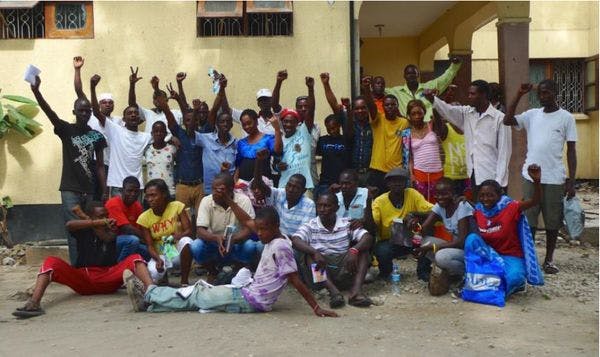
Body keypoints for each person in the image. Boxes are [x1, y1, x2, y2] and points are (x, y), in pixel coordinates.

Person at [123, 207, 338, 317]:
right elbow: (247, 221)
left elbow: (296, 280)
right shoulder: (273, 237)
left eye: (264, 229)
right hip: (248, 292)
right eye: (259, 229)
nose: (260, 233)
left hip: (250, 299)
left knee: (198, 295)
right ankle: (151, 304)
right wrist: (230, 200)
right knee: (199, 299)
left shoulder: (282, 247)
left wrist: (316, 307)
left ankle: (150, 292)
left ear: (276, 226)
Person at [12, 201, 149, 319]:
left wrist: (100, 222)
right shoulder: (83, 229)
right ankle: (34, 303)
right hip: (84, 280)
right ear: (91, 219)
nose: (106, 219)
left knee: (136, 258)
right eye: (101, 216)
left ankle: (153, 294)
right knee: (50, 261)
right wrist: (95, 222)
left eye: (107, 216)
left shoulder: (110, 230)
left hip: (108, 278)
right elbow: (69, 225)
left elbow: (106, 238)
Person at [30, 75, 107, 265]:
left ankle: (90, 266)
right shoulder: (66, 130)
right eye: (81, 110)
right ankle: (77, 269)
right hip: (70, 189)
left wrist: (104, 190)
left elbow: (99, 165)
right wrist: (36, 91)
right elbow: (51, 113)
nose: (85, 113)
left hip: (89, 190)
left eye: (88, 111)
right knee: (73, 231)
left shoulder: (96, 135)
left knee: (91, 229)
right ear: (74, 111)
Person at [503, 81, 578, 274]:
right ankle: (529, 258)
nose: (542, 96)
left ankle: (549, 260)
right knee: (529, 221)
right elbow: (508, 120)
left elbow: (571, 150)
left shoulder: (566, 118)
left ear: (555, 93)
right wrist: (519, 94)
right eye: (540, 94)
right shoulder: (532, 115)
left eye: (546, 93)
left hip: (554, 177)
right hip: (530, 176)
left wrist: (571, 180)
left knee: (553, 222)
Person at [463, 165, 544, 306]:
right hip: (490, 256)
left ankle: (487, 283)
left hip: (510, 256)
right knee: (471, 239)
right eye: (482, 195)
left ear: (499, 195)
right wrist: (461, 200)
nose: (485, 199)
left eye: (490, 195)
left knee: (514, 277)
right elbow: (469, 206)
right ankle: (484, 281)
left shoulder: (511, 207)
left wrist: (537, 182)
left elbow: (535, 202)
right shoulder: (478, 210)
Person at [425, 80, 511, 196]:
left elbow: (504, 153)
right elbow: (447, 110)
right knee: (478, 212)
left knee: (495, 213)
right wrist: (432, 99)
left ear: (484, 95)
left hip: (493, 177)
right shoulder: (467, 113)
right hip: (474, 175)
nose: (469, 97)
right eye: (469, 93)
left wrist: (499, 183)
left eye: (472, 94)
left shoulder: (499, 119)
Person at [291, 193, 374, 308]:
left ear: (336, 208)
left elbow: (367, 238)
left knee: (363, 251)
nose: (322, 209)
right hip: (320, 277)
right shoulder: (310, 225)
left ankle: (355, 293)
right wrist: (314, 252)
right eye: (319, 206)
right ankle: (334, 293)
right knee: (309, 255)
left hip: (343, 272)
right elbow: (295, 240)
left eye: (326, 206)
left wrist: (354, 250)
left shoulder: (346, 224)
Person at [90, 73, 152, 198]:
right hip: (117, 186)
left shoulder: (146, 137)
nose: (133, 115)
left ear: (140, 118)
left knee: (136, 218)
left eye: (136, 113)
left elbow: (160, 139)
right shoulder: (116, 130)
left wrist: (172, 138)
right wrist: (92, 87)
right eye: (130, 113)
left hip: (137, 187)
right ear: (124, 118)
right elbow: (97, 112)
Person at [192, 173, 260, 280]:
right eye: (213, 189)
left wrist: (233, 239)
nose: (215, 192)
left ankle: (237, 272)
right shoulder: (206, 201)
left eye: (220, 189)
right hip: (214, 244)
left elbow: (249, 228)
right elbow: (200, 231)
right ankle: (212, 271)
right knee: (196, 246)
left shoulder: (243, 200)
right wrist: (216, 238)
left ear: (231, 189)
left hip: (236, 244)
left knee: (250, 246)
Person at [72, 56, 122, 199]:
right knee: (88, 198)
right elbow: (79, 92)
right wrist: (77, 70)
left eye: (110, 102)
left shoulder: (118, 121)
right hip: (89, 162)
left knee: (104, 199)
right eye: (104, 102)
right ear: (98, 105)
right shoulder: (91, 115)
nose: (107, 104)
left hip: (108, 165)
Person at [371, 168, 433, 279]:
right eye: (393, 181)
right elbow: (373, 222)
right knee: (382, 249)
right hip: (390, 242)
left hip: (413, 239)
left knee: (428, 237)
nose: (397, 183)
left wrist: (415, 215)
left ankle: (423, 272)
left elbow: (433, 212)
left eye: (401, 180)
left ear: (406, 183)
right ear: (387, 184)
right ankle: (386, 272)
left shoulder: (412, 194)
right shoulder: (379, 201)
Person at [410, 178, 474, 283]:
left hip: (469, 250)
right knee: (422, 241)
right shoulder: (440, 206)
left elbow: (461, 241)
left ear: (453, 194)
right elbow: (423, 229)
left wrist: (433, 247)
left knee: (441, 257)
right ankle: (449, 272)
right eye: (437, 194)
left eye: (444, 194)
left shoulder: (462, 206)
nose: (440, 198)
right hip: (455, 248)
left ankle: (465, 274)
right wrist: (415, 223)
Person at [136, 179, 195, 286]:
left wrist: (177, 236)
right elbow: (149, 245)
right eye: (147, 196)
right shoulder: (143, 218)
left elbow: (189, 231)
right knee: (152, 275)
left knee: (187, 241)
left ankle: (184, 282)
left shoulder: (177, 206)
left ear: (163, 194)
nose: (150, 199)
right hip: (160, 255)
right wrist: (158, 259)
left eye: (154, 195)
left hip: (176, 252)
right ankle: (162, 279)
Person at [272, 70, 322, 187]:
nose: (304, 109)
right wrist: (279, 82)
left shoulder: (306, 129)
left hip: (307, 181)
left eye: (306, 106)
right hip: (286, 183)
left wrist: (310, 88)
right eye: (300, 107)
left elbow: (311, 111)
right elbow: (274, 106)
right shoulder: (286, 129)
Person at [322, 72, 372, 186]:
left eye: (363, 108)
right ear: (353, 110)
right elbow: (334, 104)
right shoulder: (348, 120)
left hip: (369, 173)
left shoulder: (373, 124)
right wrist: (326, 84)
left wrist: (367, 88)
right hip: (351, 173)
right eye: (357, 108)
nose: (360, 111)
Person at [250, 149, 315, 237]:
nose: (290, 189)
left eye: (296, 187)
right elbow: (259, 184)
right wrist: (259, 161)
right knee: (250, 246)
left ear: (303, 191)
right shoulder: (280, 194)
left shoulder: (309, 205)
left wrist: (284, 241)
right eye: (289, 185)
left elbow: (304, 234)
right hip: (276, 240)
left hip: (295, 245)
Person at [362, 77, 410, 194]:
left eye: (393, 104)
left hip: (396, 171)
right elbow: (370, 105)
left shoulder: (404, 123)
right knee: (377, 203)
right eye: (387, 105)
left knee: (395, 202)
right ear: (382, 107)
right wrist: (367, 88)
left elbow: (407, 146)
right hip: (377, 170)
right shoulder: (378, 119)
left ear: (397, 106)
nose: (390, 107)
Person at [193, 76, 238, 194]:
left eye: (228, 121)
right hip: (210, 191)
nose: (225, 124)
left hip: (229, 190)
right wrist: (194, 111)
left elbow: (238, 166)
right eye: (222, 121)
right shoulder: (206, 139)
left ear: (232, 125)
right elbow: (189, 133)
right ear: (216, 124)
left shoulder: (236, 143)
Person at [385, 58, 461, 121]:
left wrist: (454, 66)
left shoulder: (428, 88)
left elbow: (444, 79)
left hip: (428, 128)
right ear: (404, 76)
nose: (411, 76)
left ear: (418, 75)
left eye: (414, 73)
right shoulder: (396, 91)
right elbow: (379, 90)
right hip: (407, 128)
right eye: (408, 74)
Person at [314, 73, 352, 198]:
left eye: (335, 127)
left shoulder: (346, 139)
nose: (332, 130)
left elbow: (334, 104)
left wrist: (326, 84)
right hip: (325, 184)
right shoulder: (322, 140)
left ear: (340, 126)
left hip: (343, 185)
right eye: (329, 128)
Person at [431, 86, 471, 199]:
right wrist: (435, 103)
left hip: (469, 177)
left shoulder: (470, 128)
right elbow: (437, 121)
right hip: (451, 178)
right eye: (452, 111)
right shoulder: (446, 129)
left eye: (458, 110)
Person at [402, 99, 443, 202]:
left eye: (419, 113)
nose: (417, 116)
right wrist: (411, 175)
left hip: (437, 172)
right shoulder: (406, 133)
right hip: (419, 173)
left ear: (424, 112)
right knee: (421, 204)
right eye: (413, 114)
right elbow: (409, 157)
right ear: (409, 116)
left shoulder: (432, 126)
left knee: (439, 203)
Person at [105, 176, 150, 262]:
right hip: (112, 241)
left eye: (136, 191)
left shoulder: (137, 205)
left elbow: (143, 227)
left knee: (149, 251)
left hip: (130, 241)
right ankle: (119, 268)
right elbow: (127, 229)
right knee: (133, 240)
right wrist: (148, 239)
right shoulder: (113, 203)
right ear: (122, 190)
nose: (133, 194)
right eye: (129, 191)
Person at [128, 68, 182, 138]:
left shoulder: (176, 113)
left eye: (160, 97)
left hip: (169, 145)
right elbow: (132, 104)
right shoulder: (148, 113)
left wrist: (156, 89)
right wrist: (132, 85)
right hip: (150, 146)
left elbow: (187, 113)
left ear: (167, 99)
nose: (157, 100)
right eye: (155, 98)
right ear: (153, 101)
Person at [235, 109, 282, 181]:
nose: (247, 127)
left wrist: (277, 129)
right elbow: (238, 165)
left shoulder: (268, 139)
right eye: (244, 125)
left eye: (249, 123)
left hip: (262, 183)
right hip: (243, 184)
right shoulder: (241, 143)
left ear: (256, 122)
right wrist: (235, 182)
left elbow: (278, 151)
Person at [277, 106, 315, 190]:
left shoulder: (304, 132)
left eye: (292, 122)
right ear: (281, 122)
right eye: (286, 121)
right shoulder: (279, 140)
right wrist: (277, 167)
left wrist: (311, 92)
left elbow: (311, 111)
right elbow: (275, 163)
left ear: (297, 123)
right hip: (284, 186)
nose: (288, 124)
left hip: (304, 186)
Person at [143, 121, 177, 197]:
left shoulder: (172, 149)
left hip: (169, 191)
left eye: (161, 131)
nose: (158, 133)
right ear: (152, 133)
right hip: (151, 192)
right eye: (156, 131)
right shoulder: (147, 149)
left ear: (166, 133)